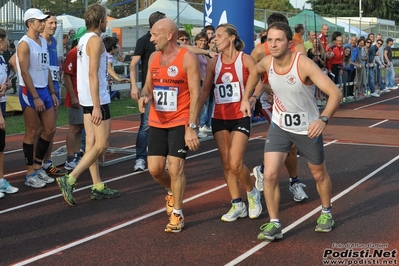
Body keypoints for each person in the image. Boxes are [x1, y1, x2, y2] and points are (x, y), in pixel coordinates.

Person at [240, 22, 342, 240]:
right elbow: (254, 72)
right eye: (270, 40)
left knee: (318, 174)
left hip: (308, 128)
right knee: (269, 174)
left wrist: (323, 119)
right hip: (280, 126)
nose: (273, 44)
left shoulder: (303, 64)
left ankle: (326, 212)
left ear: (289, 42)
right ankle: (274, 224)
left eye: (278, 40)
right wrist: (248, 98)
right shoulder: (267, 62)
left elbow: (335, 93)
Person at [138, 18, 201, 233]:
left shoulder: (187, 58)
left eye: (155, 34)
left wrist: (192, 126)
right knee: (155, 169)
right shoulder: (154, 57)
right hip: (157, 120)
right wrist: (145, 97)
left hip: (180, 120)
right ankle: (172, 190)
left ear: (169, 36)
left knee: (175, 167)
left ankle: (177, 214)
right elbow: (148, 87)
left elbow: (196, 93)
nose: (151, 38)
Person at [56, 3, 120, 206]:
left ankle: (97, 186)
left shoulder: (82, 40)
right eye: (106, 19)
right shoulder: (96, 41)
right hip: (96, 99)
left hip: (86, 98)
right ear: (101, 21)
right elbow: (93, 74)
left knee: (91, 144)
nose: (107, 22)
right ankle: (71, 178)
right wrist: (97, 105)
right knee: (102, 144)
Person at [200, 23, 262, 222]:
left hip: (240, 116)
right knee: (226, 164)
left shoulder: (245, 60)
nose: (215, 39)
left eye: (219, 36)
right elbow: (205, 92)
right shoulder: (213, 63)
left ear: (232, 38)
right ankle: (237, 203)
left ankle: (252, 193)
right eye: (214, 37)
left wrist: (252, 98)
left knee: (236, 162)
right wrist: (192, 117)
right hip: (219, 117)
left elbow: (260, 83)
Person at [250, 13, 309, 203]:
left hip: (292, 101)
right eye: (273, 35)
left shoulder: (298, 48)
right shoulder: (260, 51)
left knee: (291, 146)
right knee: (288, 142)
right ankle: (294, 181)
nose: (277, 41)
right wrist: (262, 88)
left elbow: (303, 74)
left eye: (282, 33)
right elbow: (251, 73)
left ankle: (265, 170)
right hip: (271, 101)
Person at [15, 8, 58, 188]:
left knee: (50, 129)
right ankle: (29, 173)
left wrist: (52, 92)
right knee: (31, 132)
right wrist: (35, 96)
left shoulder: (42, 41)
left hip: (44, 91)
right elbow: (24, 72)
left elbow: (45, 68)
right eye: (40, 21)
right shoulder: (24, 44)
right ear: (30, 23)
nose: (43, 23)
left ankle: (38, 165)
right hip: (29, 92)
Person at [130, 11, 166, 172]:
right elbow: (133, 64)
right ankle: (140, 158)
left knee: (166, 124)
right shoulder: (144, 41)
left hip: (167, 89)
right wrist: (134, 86)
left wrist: (206, 52)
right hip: (150, 90)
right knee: (145, 125)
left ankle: (163, 157)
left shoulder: (169, 40)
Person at [39, 12, 69, 177]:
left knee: (51, 129)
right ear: (42, 23)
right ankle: (36, 165)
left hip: (54, 89)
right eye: (51, 23)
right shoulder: (38, 41)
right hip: (41, 90)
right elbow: (16, 60)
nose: (54, 26)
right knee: (38, 130)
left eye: (55, 23)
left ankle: (47, 163)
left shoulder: (54, 41)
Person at [63, 26, 86, 171]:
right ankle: (70, 158)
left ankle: (76, 155)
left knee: (80, 127)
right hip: (75, 96)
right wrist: (73, 96)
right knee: (74, 128)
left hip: (83, 96)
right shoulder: (73, 53)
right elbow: (67, 75)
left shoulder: (83, 53)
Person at [0, 28, 19, 198]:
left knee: (1, 146)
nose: (9, 42)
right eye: (7, 39)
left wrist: (6, 85)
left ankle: (1, 181)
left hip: (3, 103)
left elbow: (4, 85)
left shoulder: (0, 58)